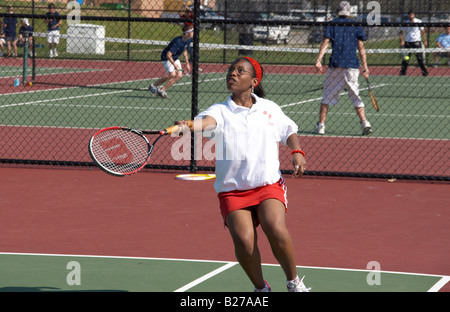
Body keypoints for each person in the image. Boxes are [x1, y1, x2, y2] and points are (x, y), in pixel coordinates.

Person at [174, 57, 311, 292]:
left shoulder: (269, 108)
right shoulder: (220, 111)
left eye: (240, 71)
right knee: (245, 243)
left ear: (253, 81)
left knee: (275, 228)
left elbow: (289, 130)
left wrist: (297, 150)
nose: (233, 74)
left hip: (267, 184)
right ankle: (261, 289)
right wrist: (187, 125)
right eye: (231, 70)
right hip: (233, 191)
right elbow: (206, 122)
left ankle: (293, 282)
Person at [314, 1, 372, 136]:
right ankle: (365, 123)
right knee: (355, 95)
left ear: (337, 11)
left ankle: (321, 126)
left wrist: (318, 61)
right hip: (351, 65)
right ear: (349, 12)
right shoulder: (355, 24)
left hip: (336, 64)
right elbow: (361, 47)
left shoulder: (333, 23)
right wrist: (365, 67)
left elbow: (325, 43)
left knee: (327, 95)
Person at [399, 10, 428, 76]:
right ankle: (403, 72)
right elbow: (401, 31)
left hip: (417, 42)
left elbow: (422, 31)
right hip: (408, 42)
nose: (411, 16)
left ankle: (424, 72)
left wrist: (425, 40)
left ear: (414, 15)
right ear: (408, 15)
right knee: (405, 58)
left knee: (420, 59)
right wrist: (402, 40)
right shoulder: (406, 22)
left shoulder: (419, 21)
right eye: (410, 14)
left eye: (412, 14)